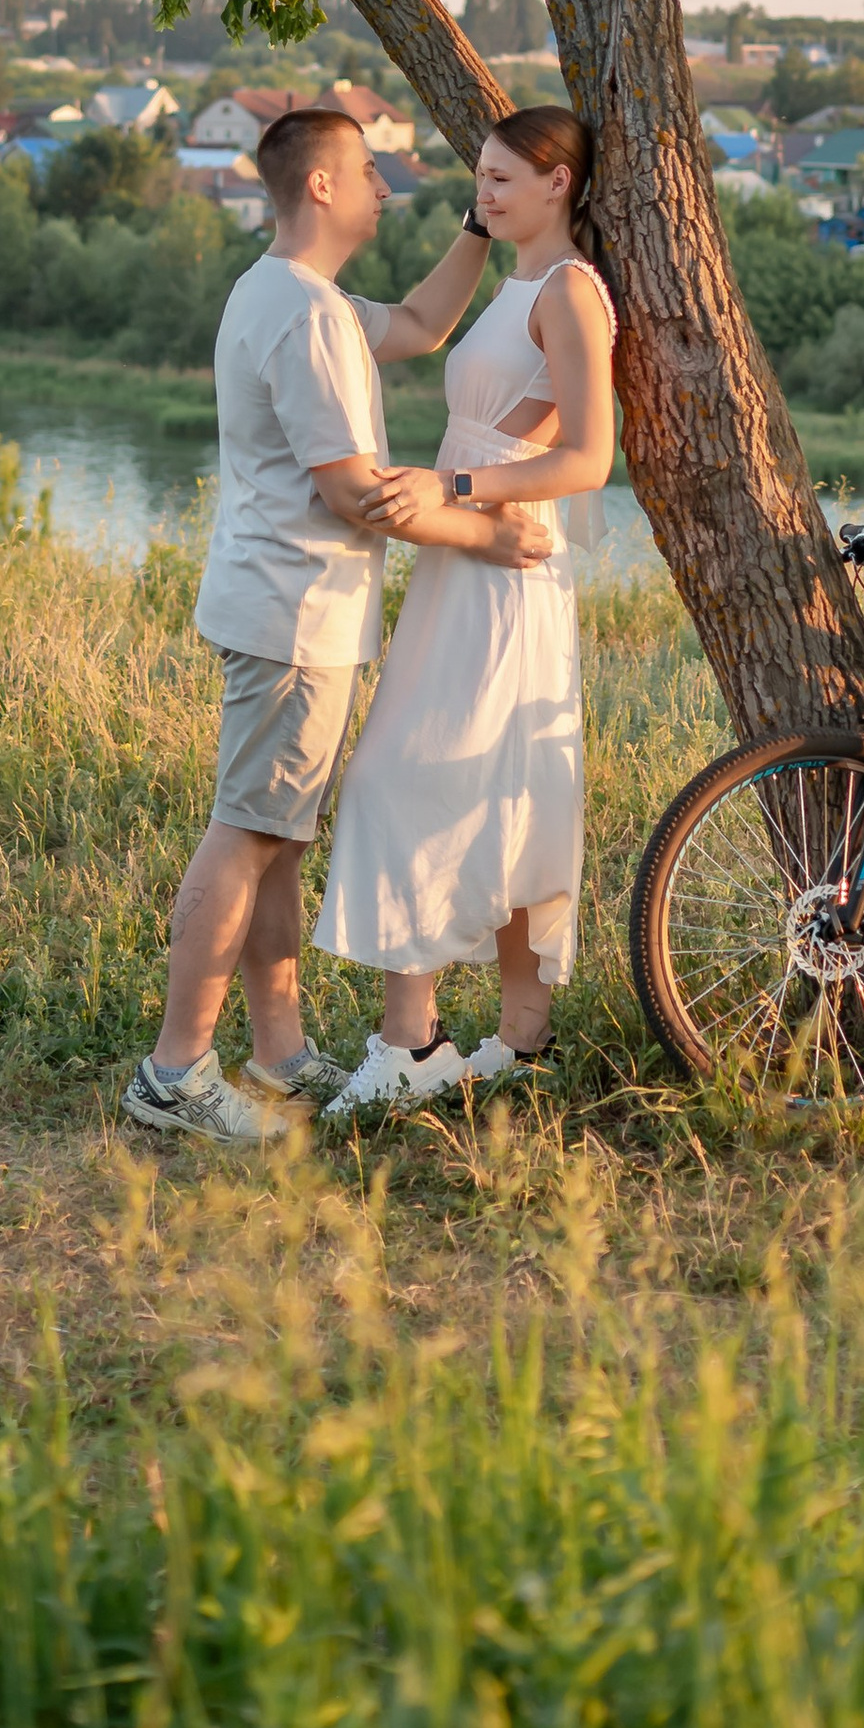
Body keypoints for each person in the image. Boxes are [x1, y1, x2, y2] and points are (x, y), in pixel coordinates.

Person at [121, 102, 551, 1147]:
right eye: (366, 170)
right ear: (320, 185)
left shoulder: (289, 293)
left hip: (290, 610)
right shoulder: (302, 316)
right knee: (250, 831)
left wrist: (478, 227)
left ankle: (277, 1051)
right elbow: (355, 491)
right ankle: (174, 1073)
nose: (380, 187)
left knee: (274, 840)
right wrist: (483, 533)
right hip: (292, 614)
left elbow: (415, 325)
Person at [316, 107, 615, 1115]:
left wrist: (457, 492)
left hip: (508, 560)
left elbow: (587, 457)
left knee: (404, 777)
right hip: (466, 559)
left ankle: (412, 1043)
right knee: (501, 785)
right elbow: (424, 331)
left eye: (499, 178)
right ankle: (521, 1041)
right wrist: (450, 498)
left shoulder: (570, 291)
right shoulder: (515, 278)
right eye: (477, 176)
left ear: (558, 182)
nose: (481, 192)